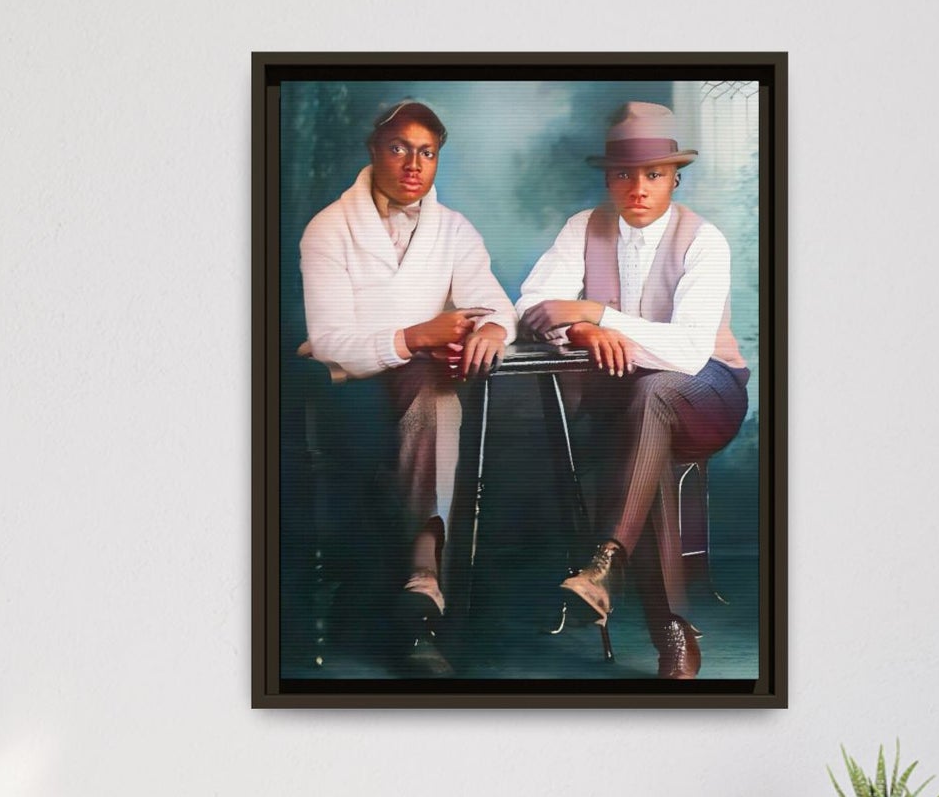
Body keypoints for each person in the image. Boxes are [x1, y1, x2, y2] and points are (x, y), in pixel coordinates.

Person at [514, 100, 749, 680]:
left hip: (709, 393)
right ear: (607, 176)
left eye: (653, 174)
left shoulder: (705, 241)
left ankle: (606, 563)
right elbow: (529, 307)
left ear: (674, 175)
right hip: (629, 401)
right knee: (648, 427)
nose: (637, 187)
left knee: (657, 397)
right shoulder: (582, 228)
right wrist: (584, 329)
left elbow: (688, 352)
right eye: (623, 173)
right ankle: (673, 632)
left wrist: (597, 311)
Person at [298, 99, 515, 666]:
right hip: (349, 393)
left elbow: (491, 300)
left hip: (423, 384)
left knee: (438, 391)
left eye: (427, 152)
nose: (413, 163)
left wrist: (492, 325)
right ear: (374, 152)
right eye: (399, 148)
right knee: (429, 384)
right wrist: (418, 334)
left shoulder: (454, 230)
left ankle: (423, 580)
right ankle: (415, 582)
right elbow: (328, 340)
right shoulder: (328, 228)